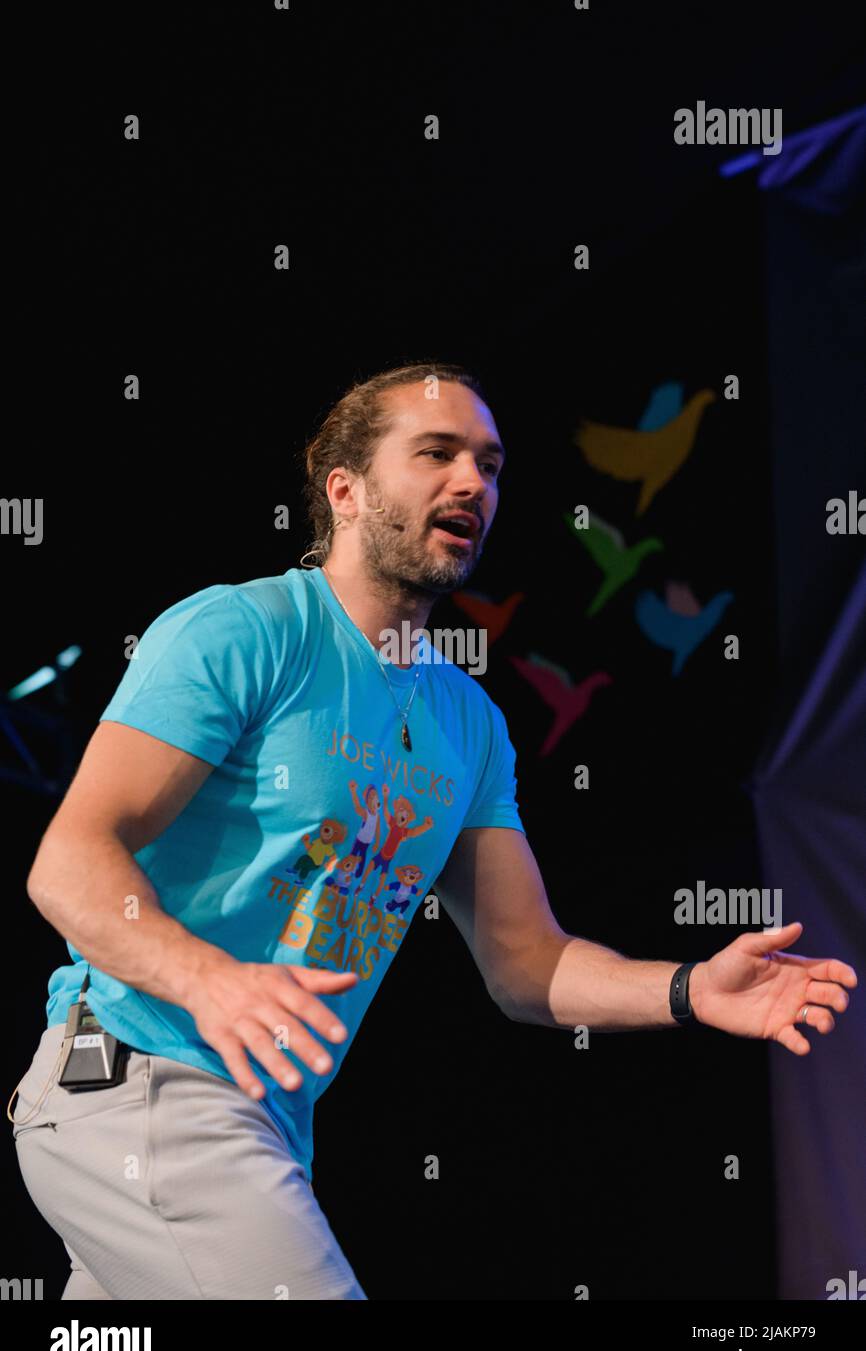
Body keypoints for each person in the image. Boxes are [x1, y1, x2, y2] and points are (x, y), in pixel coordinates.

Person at [10, 361, 858, 1300]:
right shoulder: (242, 631)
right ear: (346, 490)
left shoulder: (469, 723)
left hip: (263, 1122)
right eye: (438, 454)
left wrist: (692, 989)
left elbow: (527, 961)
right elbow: (70, 860)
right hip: (144, 1084)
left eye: (491, 465)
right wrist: (210, 981)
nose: (474, 484)